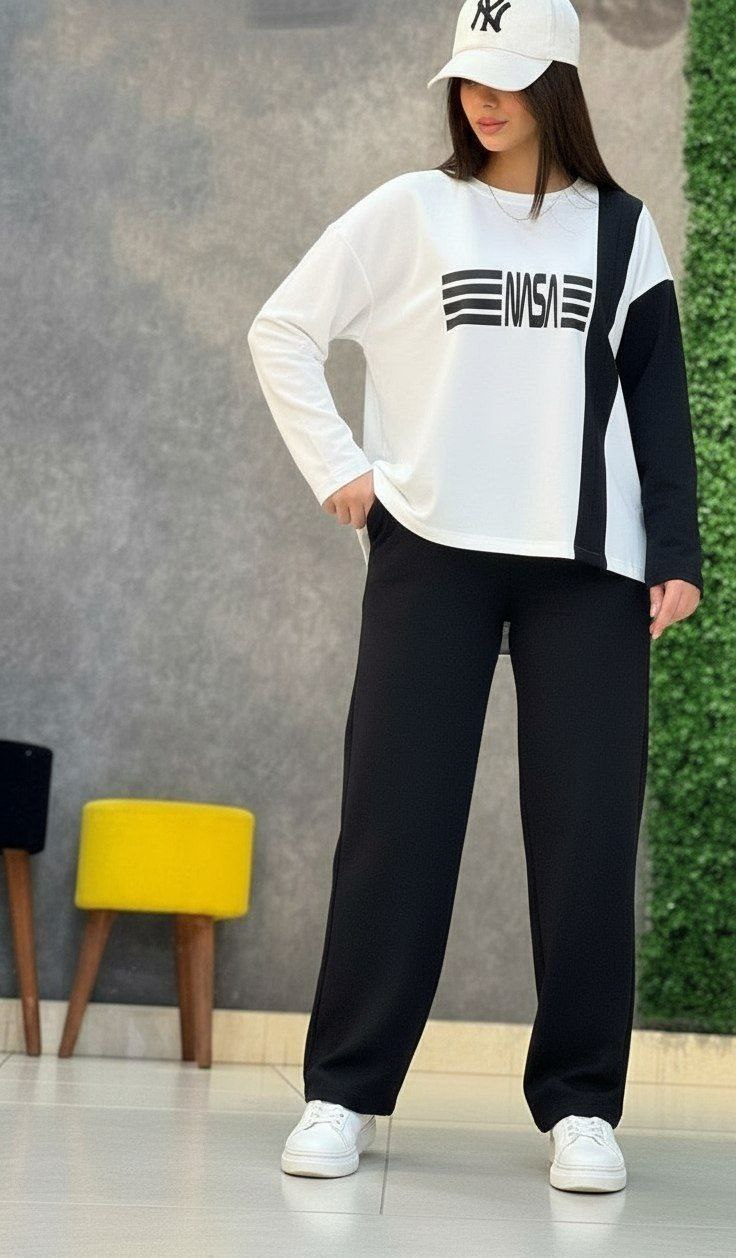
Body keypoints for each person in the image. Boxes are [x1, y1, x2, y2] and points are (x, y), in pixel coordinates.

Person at [246, 0, 703, 1194]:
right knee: (393, 824)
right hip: (431, 552)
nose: (481, 99)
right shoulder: (413, 209)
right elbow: (282, 328)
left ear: (558, 81)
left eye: (505, 77)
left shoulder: (619, 230)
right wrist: (342, 470)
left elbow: (657, 399)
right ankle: (344, 1092)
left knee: (587, 838)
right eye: (467, 78)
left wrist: (677, 551)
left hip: (587, 567)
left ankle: (582, 1108)